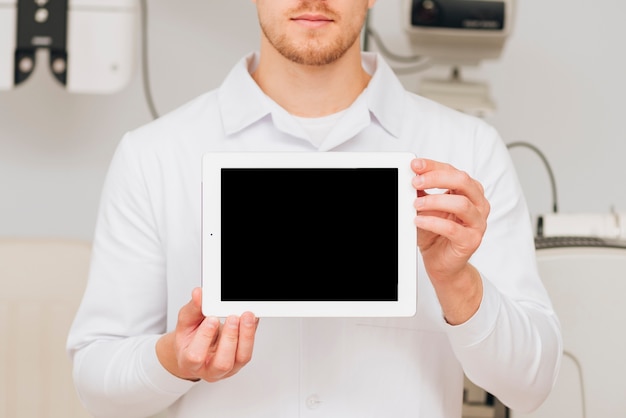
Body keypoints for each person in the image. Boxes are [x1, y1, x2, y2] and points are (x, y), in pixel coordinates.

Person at [66, 0, 562, 417]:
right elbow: (95, 379)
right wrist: (172, 360)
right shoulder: (155, 156)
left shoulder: (467, 151)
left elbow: (530, 385)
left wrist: (459, 283)